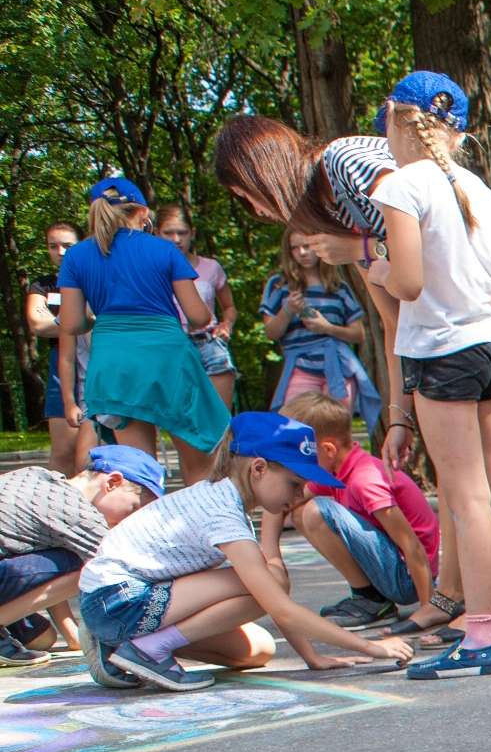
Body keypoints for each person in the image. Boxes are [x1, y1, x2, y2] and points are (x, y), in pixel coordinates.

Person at [369, 71, 491, 680]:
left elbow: (409, 282)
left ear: (394, 117)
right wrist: (469, 295)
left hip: (443, 354)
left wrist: (380, 273)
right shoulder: (481, 191)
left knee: (465, 499)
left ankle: (482, 638)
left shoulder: (401, 184)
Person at [77, 411, 412, 692]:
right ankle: (147, 650)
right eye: (294, 484)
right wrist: (372, 648)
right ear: (259, 469)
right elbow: (279, 606)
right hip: (116, 601)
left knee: (259, 649)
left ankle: (123, 648)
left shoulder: (225, 498)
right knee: (263, 587)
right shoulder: (222, 513)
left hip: (116, 601)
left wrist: (313, 658)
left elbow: (275, 587)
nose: (299, 497)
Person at [211, 115, 412, 469]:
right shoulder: (340, 222)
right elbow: (393, 323)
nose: (257, 210)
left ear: (263, 169)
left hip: (473, 320)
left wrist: (363, 250)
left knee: (474, 492)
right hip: (442, 334)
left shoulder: (344, 160)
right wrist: (400, 417)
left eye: (248, 194)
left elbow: (436, 226)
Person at [55, 176, 229, 484]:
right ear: (142, 213)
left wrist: (100, 320)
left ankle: (148, 529)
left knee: (139, 474)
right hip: (167, 361)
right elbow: (198, 316)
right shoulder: (164, 251)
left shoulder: (76, 257)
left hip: (113, 364)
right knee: (201, 468)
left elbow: (71, 324)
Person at [270, 392, 439, 630]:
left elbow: (411, 545)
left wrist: (426, 611)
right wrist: (271, 556)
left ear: (328, 449)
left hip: (409, 578)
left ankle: (370, 600)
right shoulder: (335, 471)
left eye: (301, 454)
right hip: (395, 571)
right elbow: (285, 502)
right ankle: (371, 599)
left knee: (316, 511)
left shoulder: (365, 480)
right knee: (301, 512)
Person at [0, 445, 163, 666]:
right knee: (96, 565)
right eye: (133, 508)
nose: (129, 521)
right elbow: (132, 567)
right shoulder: (78, 513)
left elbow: (47, 565)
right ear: (112, 483)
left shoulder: (41, 479)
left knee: (42, 639)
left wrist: (72, 636)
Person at [260, 227, 379, 431]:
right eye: (295, 248)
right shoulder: (279, 285)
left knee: (335, 434)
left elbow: (358, 334)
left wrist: (328, 328)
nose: (303, 253)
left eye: (307, 246)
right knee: (293, 430)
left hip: (338, 370)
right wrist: (288, 310)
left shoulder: (338, 287)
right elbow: (271, 332)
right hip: (301, 366)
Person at [155, 203, 239, 409]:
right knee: (180, 418)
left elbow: (229, 307)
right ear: (157, 233)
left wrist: (226, 325)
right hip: (170, 347)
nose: (176, 239)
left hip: (209, 343)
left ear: (192, 233)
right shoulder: (151, 270)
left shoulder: (211, 267)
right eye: (169, 233)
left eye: (182, 233)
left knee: (221, 419)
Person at [27, 222, 95, 475]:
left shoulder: (94, 279)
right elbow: (37, 324)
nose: (61, 251)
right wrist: (77, 321)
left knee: (97, 448)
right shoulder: (43, 285)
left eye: (68, 245)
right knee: (64, 450)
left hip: (99, 359)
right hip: (61, 364)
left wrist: (61, 321)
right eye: (53, 246)